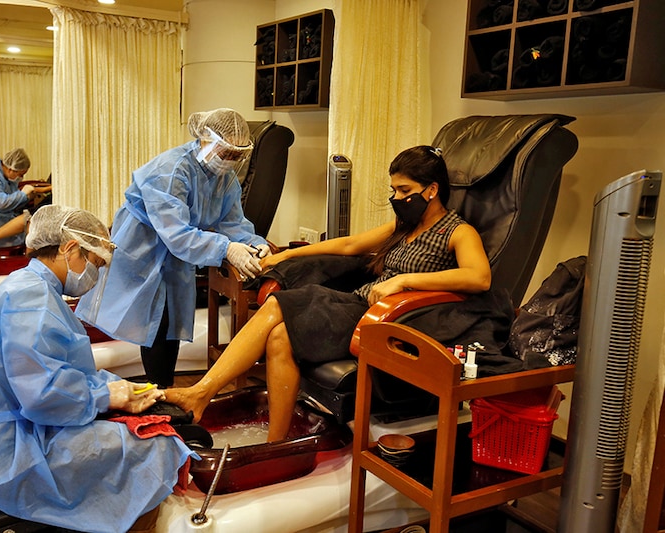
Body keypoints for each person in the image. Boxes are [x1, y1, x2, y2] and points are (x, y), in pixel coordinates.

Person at [166, 145, 493, 443]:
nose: (396, 198)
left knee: (279, 305)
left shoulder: (457, 231)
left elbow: (479, 278)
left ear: (432, 190)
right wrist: (287, 256)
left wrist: (405, 281)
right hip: (360, 304)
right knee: (280, 337)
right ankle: (276, 444)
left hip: (389, 319)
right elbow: (350, 245)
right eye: (393, 189)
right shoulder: (403, 227)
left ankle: (200, 393)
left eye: (404, 191)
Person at [0, 205, 197, 533]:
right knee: (158, 444)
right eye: (95, 264)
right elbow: (41, 396)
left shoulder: (31, 285)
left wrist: (119, 388)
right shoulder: (31, 298)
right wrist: (105, 396)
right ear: (70, 248)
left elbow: (59, 370)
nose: (95, 275)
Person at [75, 108, 269, 388]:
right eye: (225, 153)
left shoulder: (224, 179)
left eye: (237, 156)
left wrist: (253, 242)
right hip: (144, 245)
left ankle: (162, 389)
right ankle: (156, 388)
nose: (229, 162)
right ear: (205, 139)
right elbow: (177, 234)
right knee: (151, 318)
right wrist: (226, 249)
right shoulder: (172, 169)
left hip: (178, 252)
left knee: (170, 320)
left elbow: (232, 221)